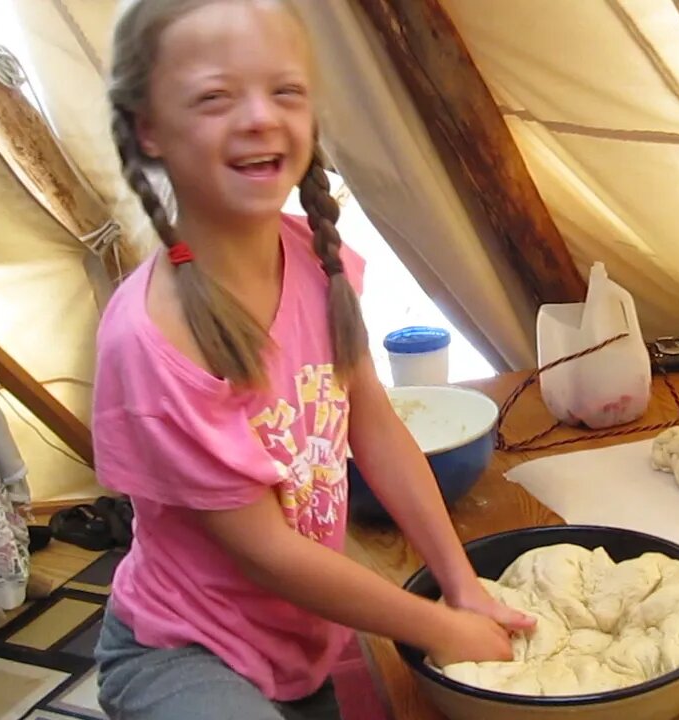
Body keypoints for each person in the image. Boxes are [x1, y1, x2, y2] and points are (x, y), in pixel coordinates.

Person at [90, 1, 535, 718]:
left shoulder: (315, 263)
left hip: (300, 648)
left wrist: (462, 583)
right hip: (185, 654)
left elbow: (378, 430)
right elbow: (268, 552)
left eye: (285, 90)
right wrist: (442, 629)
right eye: (214, 97)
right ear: (149, 128)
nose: (261, 116)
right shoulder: (153, 344)